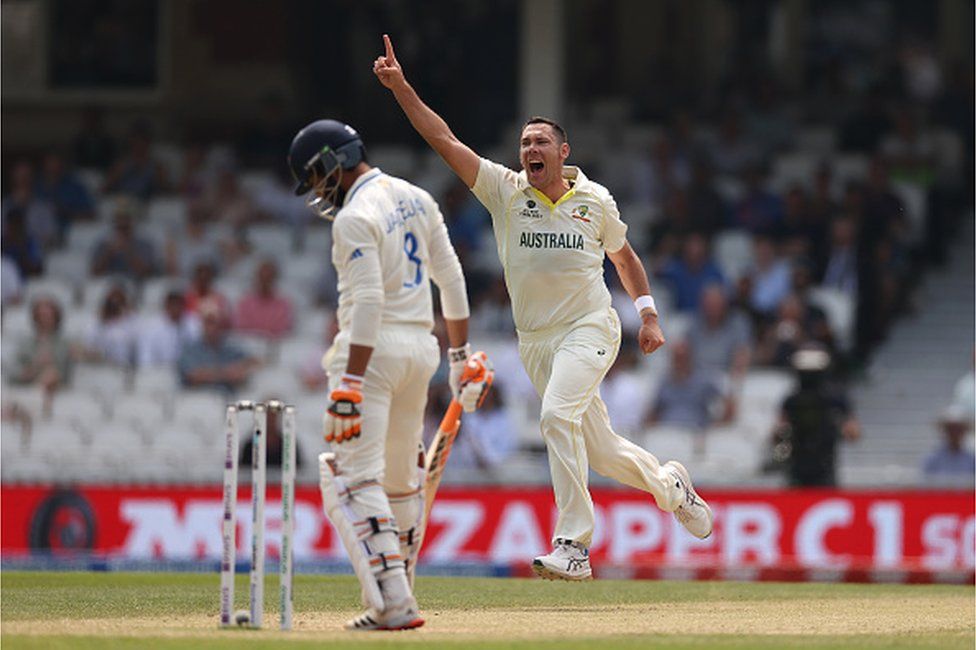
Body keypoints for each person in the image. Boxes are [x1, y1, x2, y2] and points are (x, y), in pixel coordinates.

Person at [375, 33, 712, 583]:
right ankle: (671, 487)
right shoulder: (506, 192)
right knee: (599, 452)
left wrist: (647, 314)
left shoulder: (595, 200)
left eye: (540, 143)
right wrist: (402, 89)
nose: (529, 150)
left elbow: (624, 256)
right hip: (536, 341)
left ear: (563, 153)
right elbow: (444, 139)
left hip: (591, 326)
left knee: (555, 416)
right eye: (524, 143)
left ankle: (573, 543)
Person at [287, 118, 491, 630]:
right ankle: (400, 596)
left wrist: (351, 382)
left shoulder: (354, 217)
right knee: (401, 483)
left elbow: (370, 300)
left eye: (315, 178)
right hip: (421, 351)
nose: (316, 191)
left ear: (331, 162)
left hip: (371, 357)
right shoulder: (417, 197)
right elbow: (452, 279)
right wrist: (460, 354)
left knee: (348, 478)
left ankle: (394, 602)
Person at [771, 346, 859, 487]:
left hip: (822, 470)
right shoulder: (793, 401)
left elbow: (853, 433)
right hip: (800, 470)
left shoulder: (834, 400)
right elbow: (853, 434)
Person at [177, 299, 258, 393]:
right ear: (202, 323)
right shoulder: (190, 349)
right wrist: (227, 373)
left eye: (216, 322)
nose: (212, 326)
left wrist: (241, 368)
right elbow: (194, 376)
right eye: (208, 321)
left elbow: (253, 362)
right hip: (199, 400)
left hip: (227, 399)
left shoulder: (230, 347)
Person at [136, 289, 201, 368]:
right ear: (166, 307)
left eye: (179, 305)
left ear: (183, 307)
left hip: (189, 368)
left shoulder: (193, 323)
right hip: (162, 370)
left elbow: (199, 348)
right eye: (173, 305)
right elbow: (146, 356)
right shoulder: (152, 327)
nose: (176, 309)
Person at [233, 258, 294, 339]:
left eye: (268, 278)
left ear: (274, 279)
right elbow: (242, 328)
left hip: (274, 346)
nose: (265, 281)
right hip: (248, 345)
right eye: (262, 277)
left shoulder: (283, 304)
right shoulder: (245, 302)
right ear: (256, 278)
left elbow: (282, 328)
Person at [922, 405, 975, 481]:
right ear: (945, 431)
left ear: (964, 432)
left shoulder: (972, 459)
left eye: (958, 429)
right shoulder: (932, 459)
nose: (954, 433)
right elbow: (924, 486)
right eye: (951, 429)